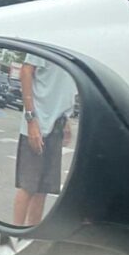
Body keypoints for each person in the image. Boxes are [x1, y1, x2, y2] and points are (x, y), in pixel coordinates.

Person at [13, 54, 76, 226]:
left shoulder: (77, 43)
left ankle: (29, 237)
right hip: (37, 125)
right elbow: (25, 72)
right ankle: (13, 236)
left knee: (42, 190)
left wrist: (66, 120)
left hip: (56, 124)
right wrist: (31, 120)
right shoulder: (49, 36)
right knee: (28, 187)